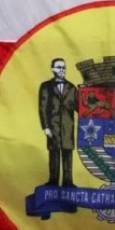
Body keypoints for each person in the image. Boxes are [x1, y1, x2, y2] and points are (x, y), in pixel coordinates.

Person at [37, 58, 77, 188]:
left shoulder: (71, 87)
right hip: (53, 127)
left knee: (67, 154)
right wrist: (45, 127)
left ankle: (68, 182)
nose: (62, 70)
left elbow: (79, 108)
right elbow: (42, 107)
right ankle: (53, 181)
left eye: (64, 67)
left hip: (67, 126)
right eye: (59, 67)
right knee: (54, 154)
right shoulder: (46, 86)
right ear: (52, 69)